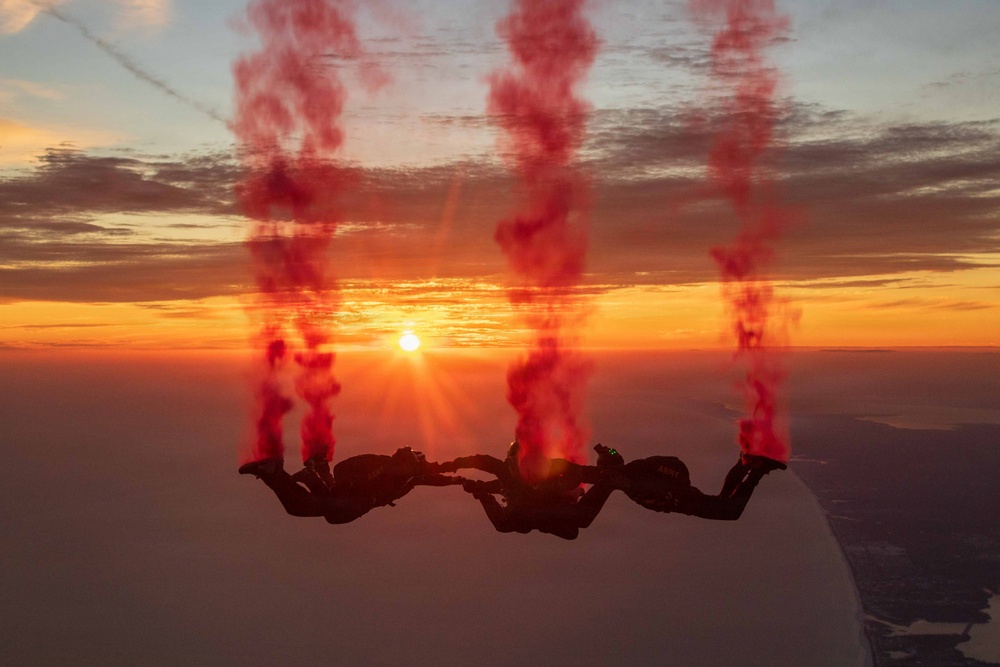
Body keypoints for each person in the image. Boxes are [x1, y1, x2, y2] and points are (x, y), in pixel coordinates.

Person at [239, 447, 463, 524]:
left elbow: (432, 475)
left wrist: (459, 479)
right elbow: (351, 478)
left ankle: (274, 471)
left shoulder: (411, 474)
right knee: (308, 508)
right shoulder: (386, 467)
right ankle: (278, 471)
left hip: (353, 502)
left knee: (304, 508)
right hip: (352, 501)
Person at [450, 442, 619, 540]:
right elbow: (493, 484)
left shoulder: (550, 469)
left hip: (548, 512)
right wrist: (478, 490)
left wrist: (603, 476)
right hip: (541, 516)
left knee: (578, 523)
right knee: (577, 524)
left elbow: (577, 475)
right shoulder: (511, 481)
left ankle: (610, 480)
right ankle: (610, 481)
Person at [593, 443, 786, 521]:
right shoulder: (638, 467)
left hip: (684, 501)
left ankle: (758, 469)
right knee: (723, 500)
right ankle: (745, 462)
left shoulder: (629, 477)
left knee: (731, 511)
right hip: (684, 497)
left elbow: (671, 466)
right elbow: (673, 462)